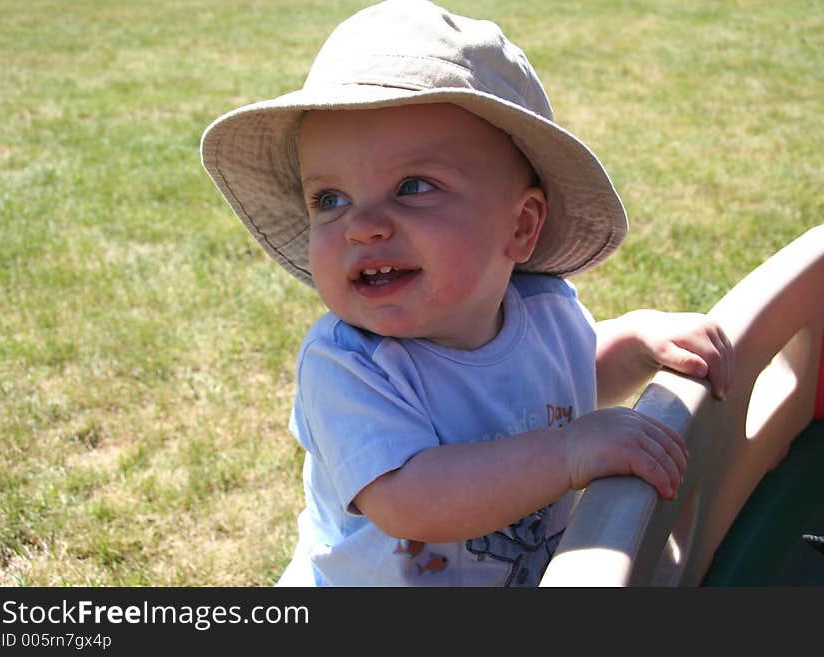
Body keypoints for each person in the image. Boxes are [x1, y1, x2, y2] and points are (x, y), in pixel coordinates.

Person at [200, 0, 734, 586]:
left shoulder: (546, 311)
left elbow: (566, 381)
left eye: (412, 187)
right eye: (330, 198)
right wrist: (567, 455)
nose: (362, 225)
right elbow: (412, 500)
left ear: (521, 226)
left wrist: (634, 343)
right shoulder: (347, 366)